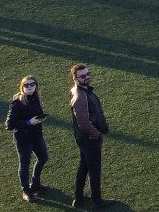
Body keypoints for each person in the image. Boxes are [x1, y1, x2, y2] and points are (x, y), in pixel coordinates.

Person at [5, 75, 50, 201]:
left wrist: (40, 118)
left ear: (36, 86)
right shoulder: (17, 103)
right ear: (22, 87)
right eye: (26, 85)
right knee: (25, 164)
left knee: (43, 157)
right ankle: (26, 191)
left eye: (32, 84)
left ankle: (35, 184)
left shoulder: (36, 98)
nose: (29, 87)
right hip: (23, 139)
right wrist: (28, 122)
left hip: (37, 135)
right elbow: (9, 125)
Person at [69, 63, 107, 208]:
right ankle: (97, 201)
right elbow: (84, 123)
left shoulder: (80, 91)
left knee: (84, 167)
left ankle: (78, 199)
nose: (86, 77)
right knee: (94, 170)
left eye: (87, 74)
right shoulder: (80, 96)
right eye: (82, 76)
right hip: (89, 138)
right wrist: (96, 135)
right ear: (75, 78)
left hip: (84, 138)